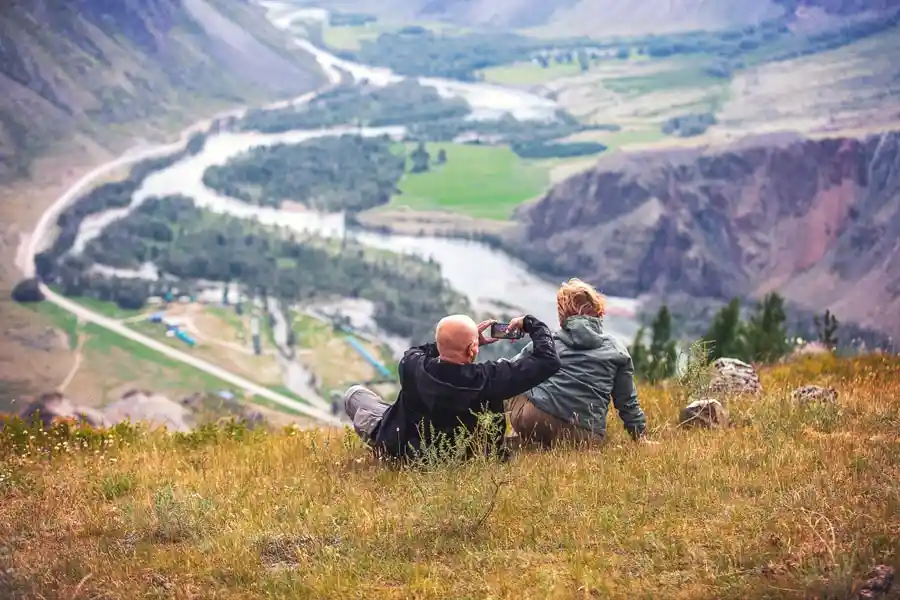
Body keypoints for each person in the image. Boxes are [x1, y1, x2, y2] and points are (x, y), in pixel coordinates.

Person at [343, 313, 560, 461]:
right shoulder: (487, 380)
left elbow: (422, 349)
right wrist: (531, 324)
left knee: (354, 395)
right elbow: (548, 360)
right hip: (463, 456)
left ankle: (379, 442)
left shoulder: (411, 364)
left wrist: (460, 341)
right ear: (472, 349)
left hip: (403, 449)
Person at [507, 278, 648, 447]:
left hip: (536, 420)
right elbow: (627, 402)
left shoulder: (549, 341)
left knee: (516, 377)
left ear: (562, 314)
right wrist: (640, 438)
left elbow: (508, 372)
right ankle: (537, 442)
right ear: (599, 311)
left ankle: (519, 439)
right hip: (586, 436)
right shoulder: (617, 350)